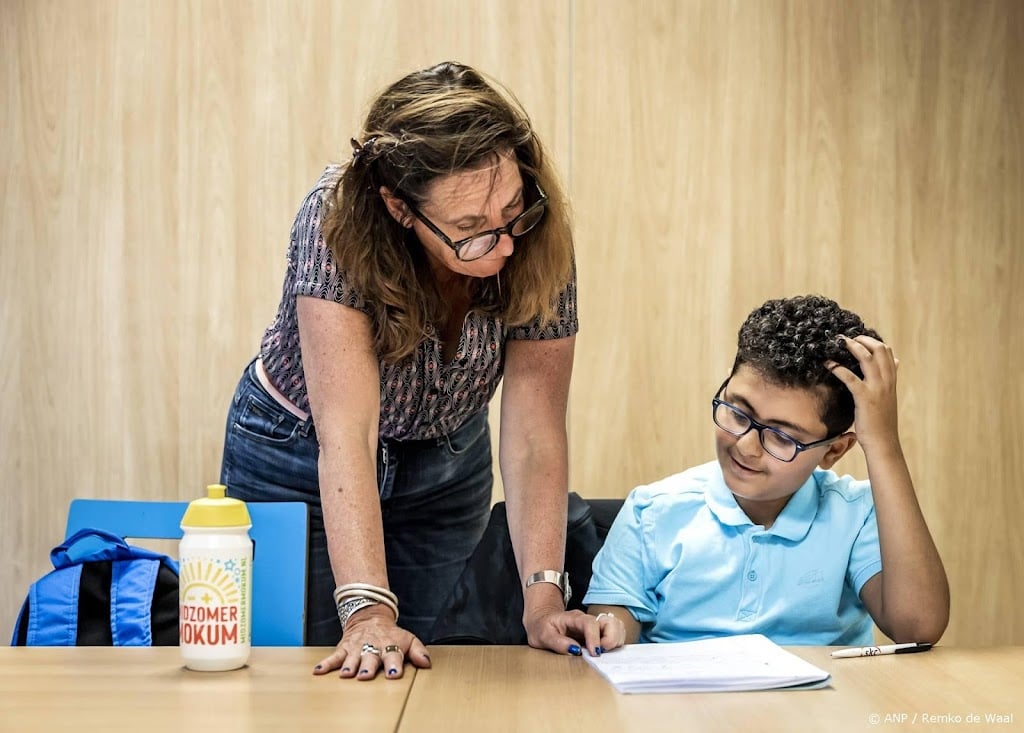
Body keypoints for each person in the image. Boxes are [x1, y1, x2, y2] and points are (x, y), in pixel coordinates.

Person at [220, 61, 597, 678]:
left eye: (511, 211)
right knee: (307, 673)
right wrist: (367, 612)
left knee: (430, 669)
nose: (504, 244)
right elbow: (347, 433)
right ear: (399, 208)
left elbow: (533, 435)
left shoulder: (533, 227)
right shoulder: (336, 218)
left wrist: (543, 597)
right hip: (297, 454)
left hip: (445, 463)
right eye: (470, 230)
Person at [583, 295, 950, 648]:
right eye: (738, 412)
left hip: (825, 709)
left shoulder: (856, 514)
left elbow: (917, 628)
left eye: (781, 437)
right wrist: (606, 631)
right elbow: (611, 637)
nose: (746, 447)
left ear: (834, 451)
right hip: (686, 709)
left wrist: (883, 445)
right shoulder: (651, 512)